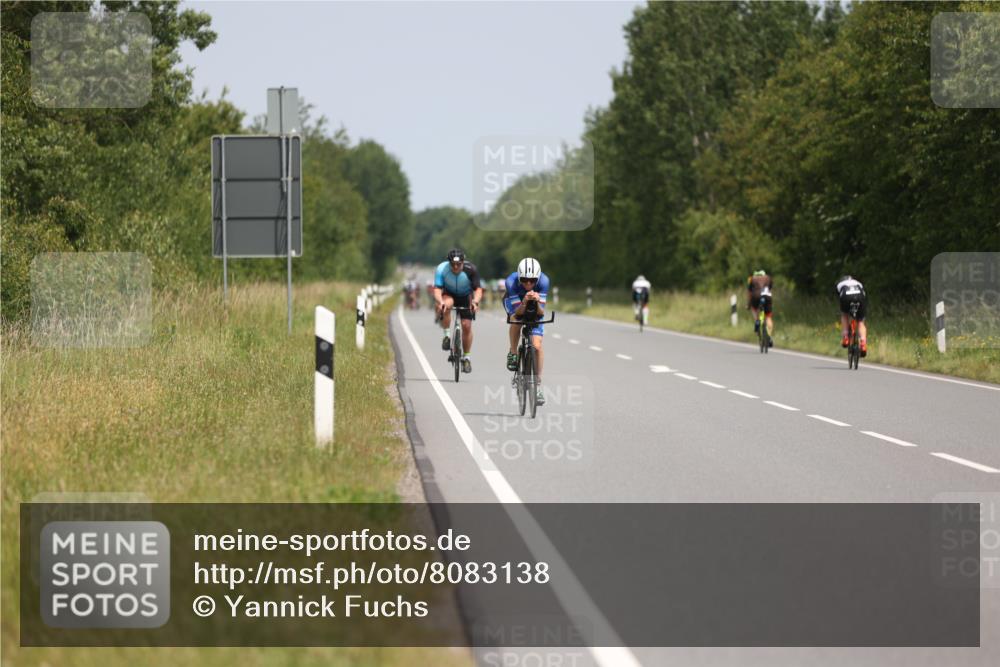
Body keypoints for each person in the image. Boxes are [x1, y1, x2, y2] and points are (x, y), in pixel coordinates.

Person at [503, 257, 550, 405]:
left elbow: (541, 313)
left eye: (532, 280)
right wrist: (524, 302)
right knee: (517, 321)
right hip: (515, 303)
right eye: (524, 280)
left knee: (537, 346)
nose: (528, 284)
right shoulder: (511, 282)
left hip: (534, 307)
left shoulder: (544, 282)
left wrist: (535, 302)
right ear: (519, 276)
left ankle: (537, 386)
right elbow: (517, 313)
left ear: (537, 278)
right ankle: (513, 352)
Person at [433, 248, 483, 373]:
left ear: (463, 262)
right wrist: (441, 302)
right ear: (448, 262)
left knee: (466, 325)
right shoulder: (441, 269)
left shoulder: (471, 269)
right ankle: (446, 335)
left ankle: (466, 358)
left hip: (466, 296)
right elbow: (437, 289)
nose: (455, 267)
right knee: (446, 306)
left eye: (458, 264)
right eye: (452, 264)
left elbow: (478, 289)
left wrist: (475, 302)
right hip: (449, 294)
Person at [836, 274, 868, 357]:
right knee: (860, 321)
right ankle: (863, 343)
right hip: (859, 297)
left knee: (844, 315)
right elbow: (864, 294)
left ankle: (846, 337)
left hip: (846, 297)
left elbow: (839, 297)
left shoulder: (840, 284)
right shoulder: (858, 283)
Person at [747, 269, 774, 347]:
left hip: (756, 297)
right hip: (767, 297)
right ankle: (769, 336)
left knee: (754, 309)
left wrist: (749, 304)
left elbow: (749, 292)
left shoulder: (752, 279)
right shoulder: (768, 278)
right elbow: (770, 289)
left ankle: (757, 321)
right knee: (768, 317)